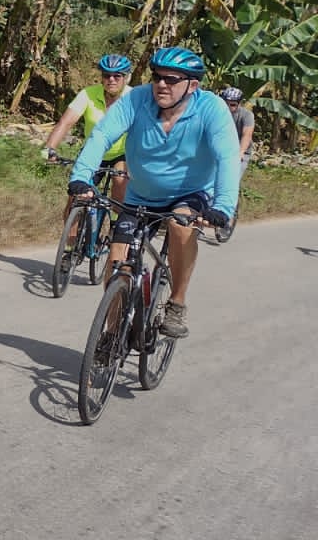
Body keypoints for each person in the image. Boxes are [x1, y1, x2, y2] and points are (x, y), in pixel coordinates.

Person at [67, 46, 240, 340]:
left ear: (192, 85)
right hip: (140, 194)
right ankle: (111, 333)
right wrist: (81, 176)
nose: (161, 84)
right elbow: (102, 135)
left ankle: (177, 302)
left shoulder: (212, 108)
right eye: (157, 77)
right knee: (116, 263)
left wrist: (223, 206)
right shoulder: (136, 99)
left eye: (171, 79)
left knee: (180, 224)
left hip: (190, 192)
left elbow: (227, 156)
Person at [43, 54, 134, 231]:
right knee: (76, 198)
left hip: (121, 153)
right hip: (93, 152)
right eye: (107, 75)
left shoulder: (134, 97)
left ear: (126, 77)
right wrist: (49, 148)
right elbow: (66, 122)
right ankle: (69, 248)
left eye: (117, 76)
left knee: (119, 189)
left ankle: (117, 233)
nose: (111, 80)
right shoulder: (88, 94)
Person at [220, 87, 255, 174]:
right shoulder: (218, 113)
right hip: (221, 148)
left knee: (233, 176)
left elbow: (246, 135)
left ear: (239, 104)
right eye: (225, 104)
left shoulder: (247, 115)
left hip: (240, 150)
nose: (228, 107)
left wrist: (241, 152)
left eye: (232, 105)